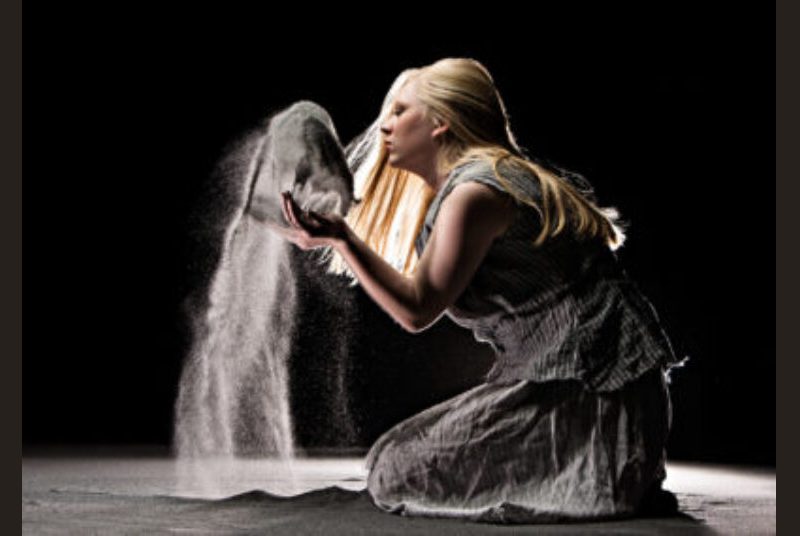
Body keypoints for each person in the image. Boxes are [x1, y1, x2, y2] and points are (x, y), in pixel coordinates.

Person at [270, 58, 683, 523]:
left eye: (401, 111)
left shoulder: (476, 192)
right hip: (609, 398)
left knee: (392, 472)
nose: (384, 125)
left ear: (441, 123)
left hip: (597, 401)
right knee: (391, 457)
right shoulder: (476, 182)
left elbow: (417, 309)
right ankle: (607, 475)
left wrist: (342, 238)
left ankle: (598, 477)